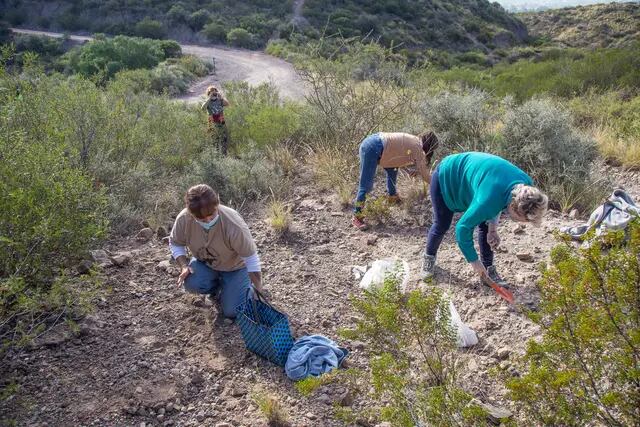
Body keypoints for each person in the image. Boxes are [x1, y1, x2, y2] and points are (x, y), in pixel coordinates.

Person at [422, 152, 548, 287]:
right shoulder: (487, 201)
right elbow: (462, 229)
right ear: (513, 206)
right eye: (523, 220)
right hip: (446, 176)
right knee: (442, 224)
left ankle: (488, 270)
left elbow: (500, 198)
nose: (524, 223)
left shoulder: (526, 185)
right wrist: (474, 262)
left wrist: (492, 229)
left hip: (479, 184)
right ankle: (428, 258)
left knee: (486, 225)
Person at [169, 184, 262, 318]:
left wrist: (259, 291)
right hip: (206, 264)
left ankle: (243, 287)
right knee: (191, 282)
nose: (208, 220)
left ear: (217, 203)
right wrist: (184, 266)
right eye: (201, 219)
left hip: (235, 268)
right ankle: (218, 289)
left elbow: (251, 259)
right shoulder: (184, 219)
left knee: (232, 312)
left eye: (212, 215)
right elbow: (175, 243)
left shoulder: (233, 223)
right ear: (190, 213)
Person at [352, 131, 439, 230]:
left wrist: (408, 170)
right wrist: (439, 184)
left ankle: (392, 197)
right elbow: (425, 176)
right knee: (366, 186)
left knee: (393, 169)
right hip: (373, 147)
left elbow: (397, 156)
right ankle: (357, 216)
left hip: (375, 143)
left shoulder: (415, 141)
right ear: (430, 146)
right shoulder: (417, 147)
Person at [201, 85, 230, 155]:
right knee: (214, 137)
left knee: (224, 136)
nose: (214, 93)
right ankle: (215, 152)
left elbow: (227, 104)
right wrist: (209, 98)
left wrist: (221, 98)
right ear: (209, 93)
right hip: (212, 121)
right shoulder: (207, 101)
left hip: (221, 120)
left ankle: (224, 152)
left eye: (215, 91)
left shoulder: (219, 100)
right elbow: (202, 108)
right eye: (212, 91)